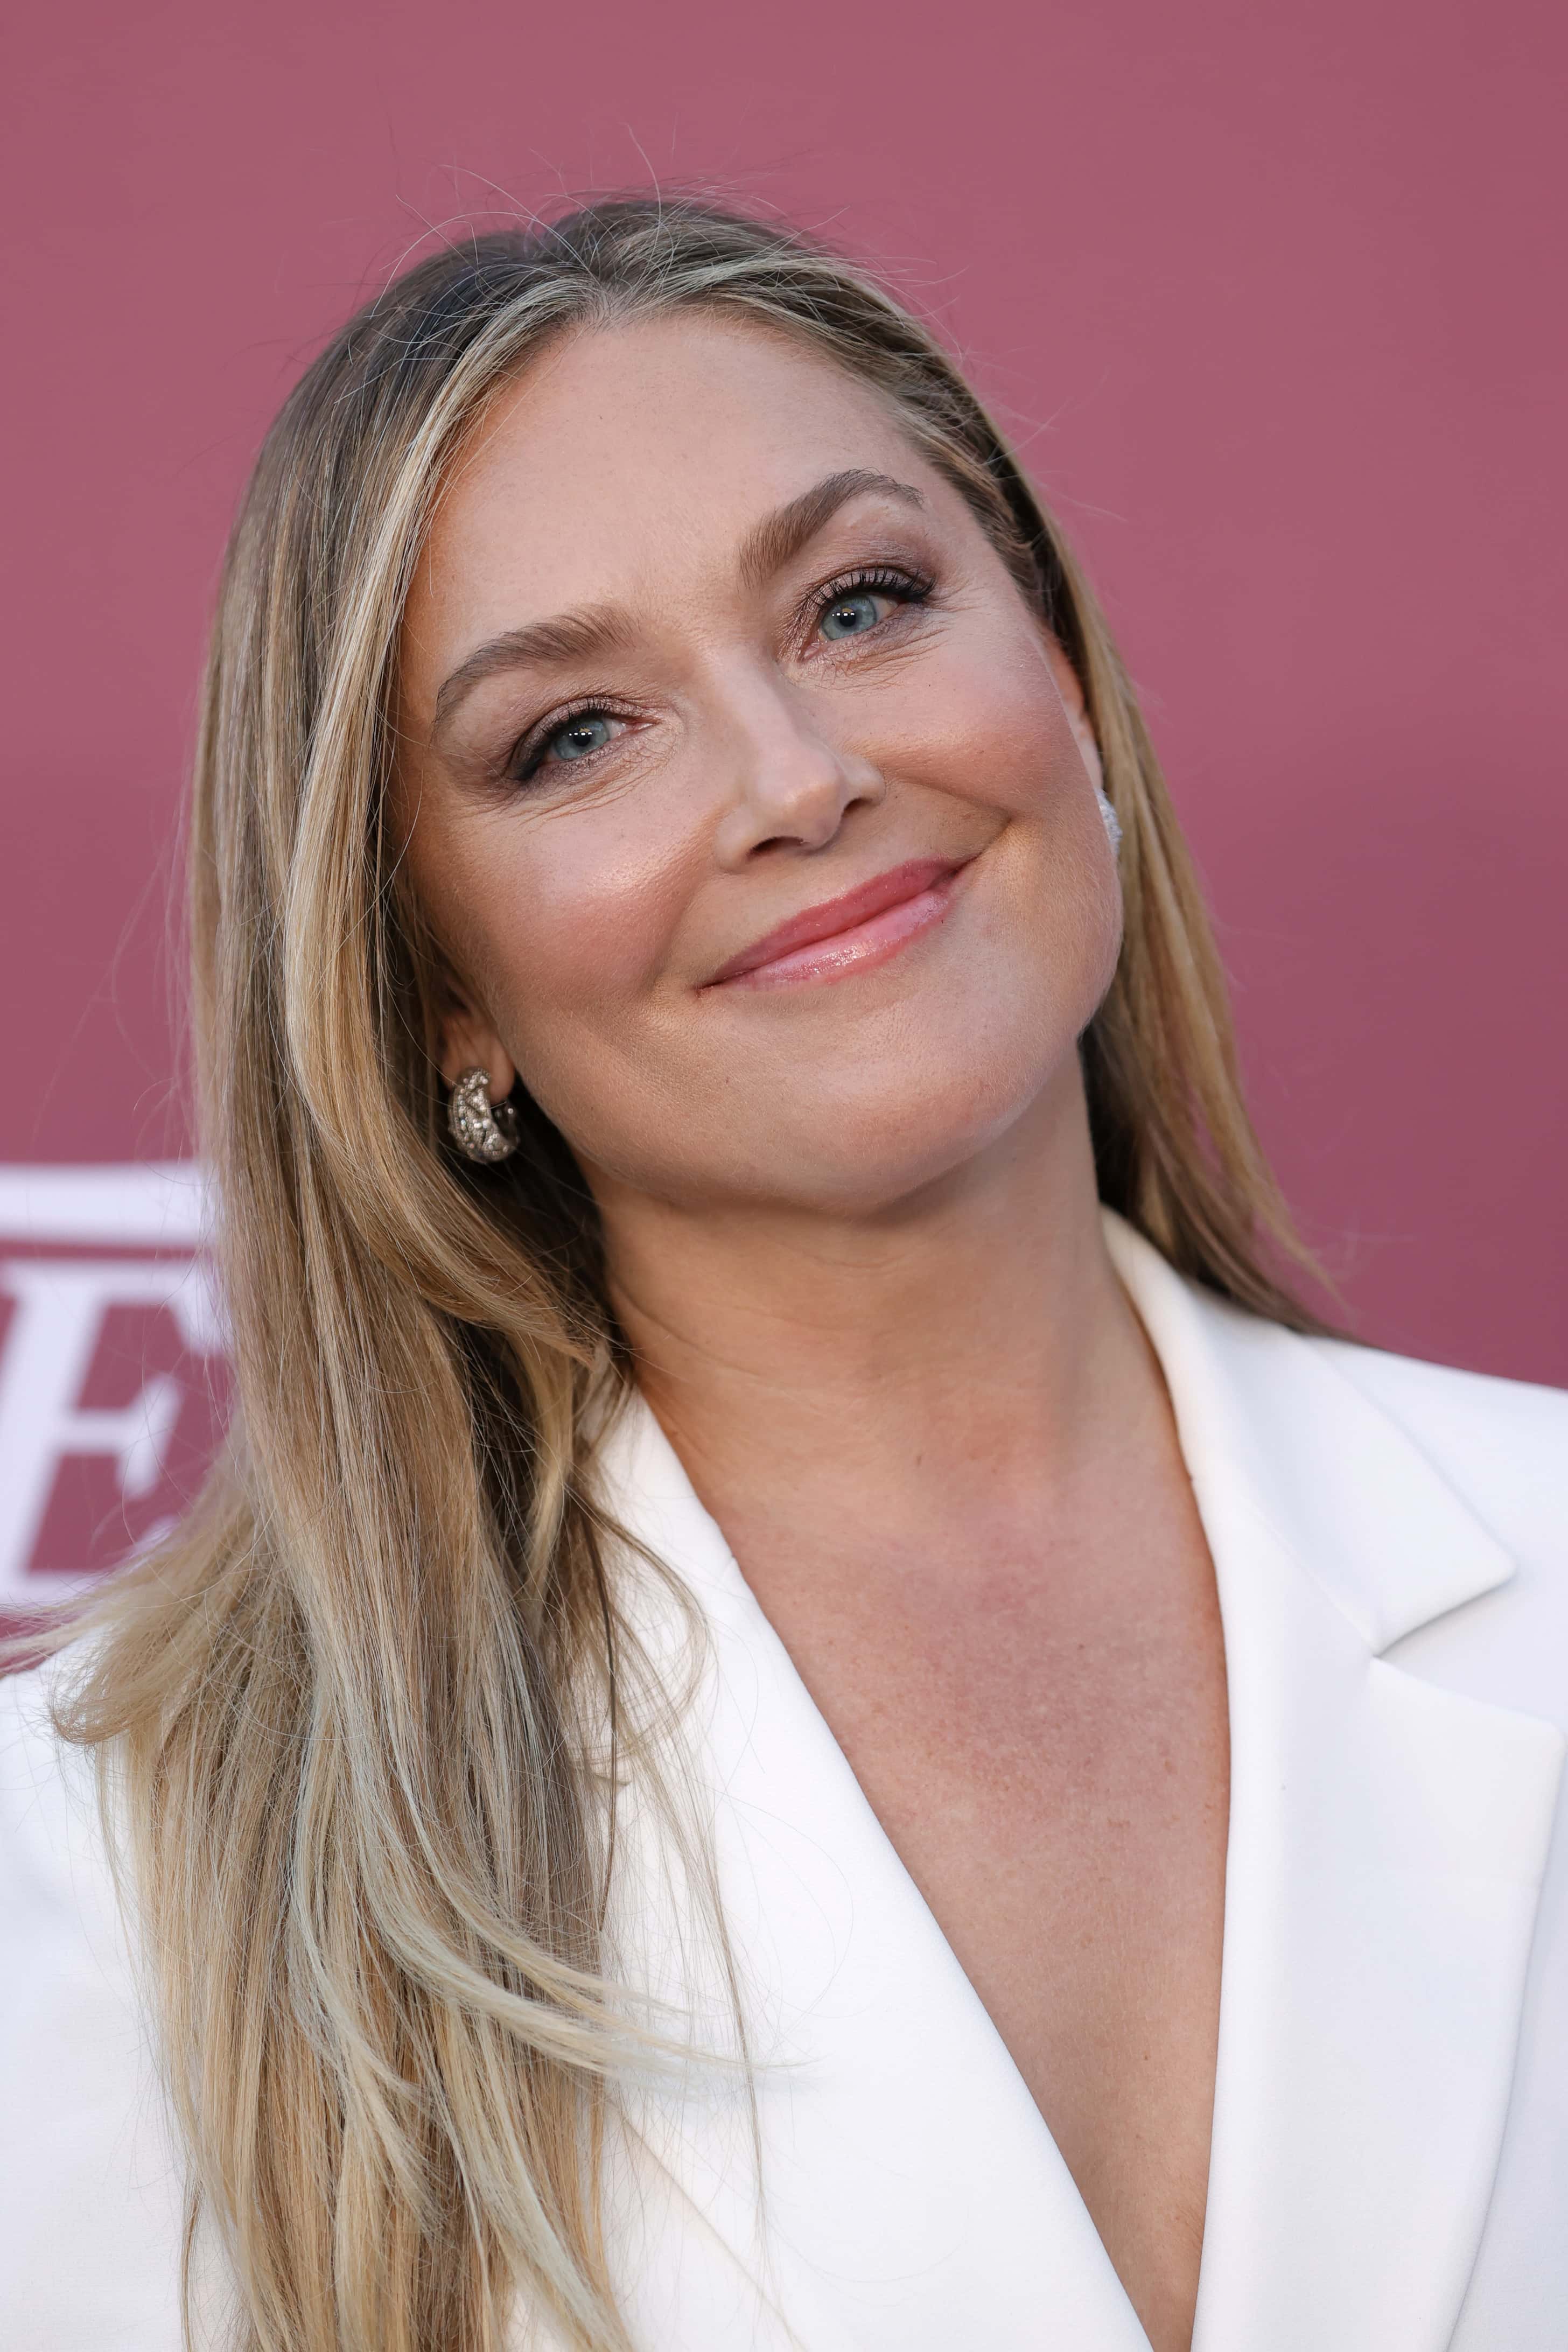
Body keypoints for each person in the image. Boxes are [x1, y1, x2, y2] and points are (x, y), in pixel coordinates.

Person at [2, 197, 1564, 2352]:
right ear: (435, 990)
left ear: (1067, 685)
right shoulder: (110, 1862)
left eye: (860, 604)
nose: (797, 780)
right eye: (572, 735)